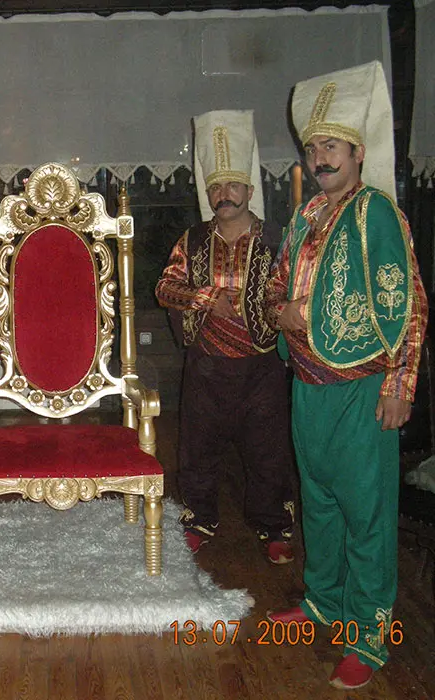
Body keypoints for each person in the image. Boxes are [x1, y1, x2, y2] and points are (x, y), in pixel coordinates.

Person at [266, 61, 427, 690]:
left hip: (362, 391)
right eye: (313, 148)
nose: (321, 157)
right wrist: (282, 312)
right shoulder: (306, 215)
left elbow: (408, 303)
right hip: (307, 388)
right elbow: (279, 286)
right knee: (321, 505)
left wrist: (399, 385)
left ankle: (370, 636)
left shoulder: (377, 212)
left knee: (367, 515)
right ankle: (323, 602)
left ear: (358, 152)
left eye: (332, 146)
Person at [156, 110, 296, 563]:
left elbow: (294, 293)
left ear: (250, 191)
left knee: (268, 452)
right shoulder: (194, 240)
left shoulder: (277, 239)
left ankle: (273, 525)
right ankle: (198, 518)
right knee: (197, 449)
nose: (223, 195)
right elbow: (164, 288)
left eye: (233, 186)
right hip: (207, 365)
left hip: (262, 367)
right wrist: (206, 298)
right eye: (216, 187)